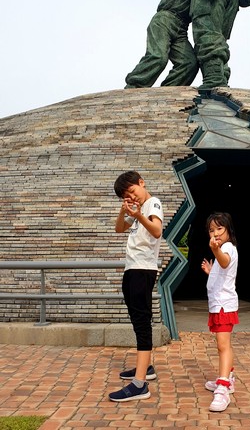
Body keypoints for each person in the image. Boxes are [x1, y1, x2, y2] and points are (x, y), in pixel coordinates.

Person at [108, 171, 163, 402]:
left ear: (142, 183)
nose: (132, 196)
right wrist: (125, 211)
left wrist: (139, 215)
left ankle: (140, 385)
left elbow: (157, 230)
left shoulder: (153, 203)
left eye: (132, 191)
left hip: (143, 269)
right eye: (126, 195)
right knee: (135, 317)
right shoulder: (136, 209)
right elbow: (119, 229)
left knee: (142, 321)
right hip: (132, 268)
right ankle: (146, 368)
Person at [201, 212, 239, 412]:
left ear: (228, 231)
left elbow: (224, 262)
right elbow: (222, 271)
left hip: (224, 305)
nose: (215, 233)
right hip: (218, 305)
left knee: (223, 346)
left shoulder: (227, 247)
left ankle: (223, 388)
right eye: (211, 230)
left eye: (219, 229)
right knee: (223, 346)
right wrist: (210, 271)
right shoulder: (222, 249)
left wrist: (215, 251)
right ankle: (228, 379)